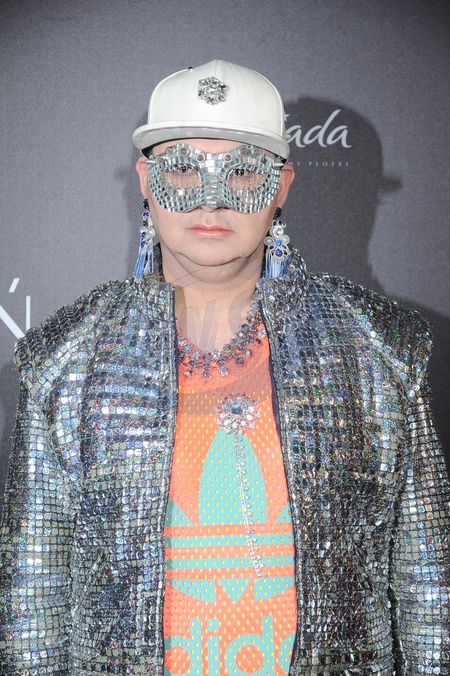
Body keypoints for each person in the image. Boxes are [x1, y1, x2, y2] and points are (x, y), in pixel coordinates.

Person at [0, 59, 449, 675]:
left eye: (242, 172)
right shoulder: (65, 357)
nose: (211, 199)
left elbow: (429, 588)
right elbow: (33, 597)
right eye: (183, 168)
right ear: (146, 180)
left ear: (282, 185)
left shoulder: (379, 348)